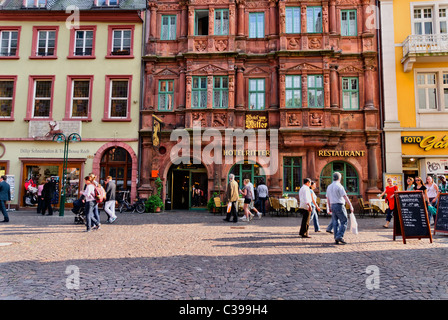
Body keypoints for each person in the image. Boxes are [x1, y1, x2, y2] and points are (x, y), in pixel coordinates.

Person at [326, 172, 354, 245]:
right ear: (340, 178)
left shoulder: (329, 186)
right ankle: (339, 236)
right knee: (344, 221)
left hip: (332, 205)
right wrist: (350, 205)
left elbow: (328, 198)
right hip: (339, 205)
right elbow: (345, 196)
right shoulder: (339, 186)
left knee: (335, 222)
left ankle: (336, 237)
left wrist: (329, 207)